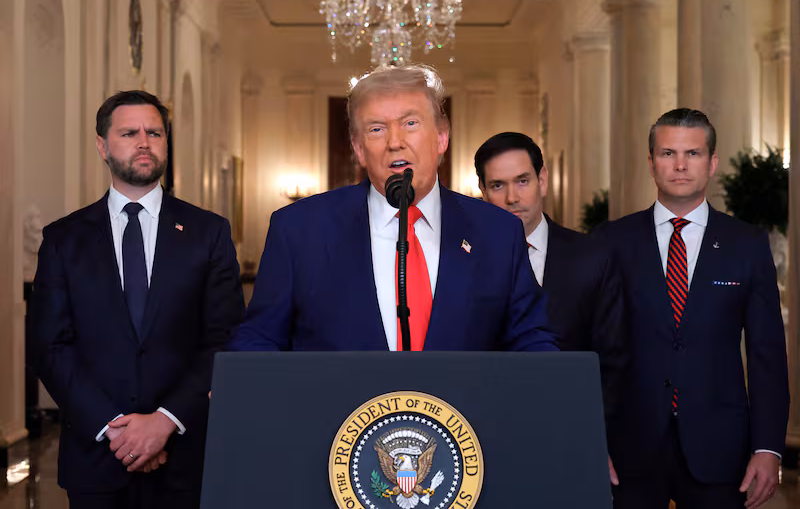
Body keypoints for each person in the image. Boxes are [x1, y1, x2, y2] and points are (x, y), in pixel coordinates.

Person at [230, 65, 556, 352]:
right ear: (359, 149)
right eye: (376, 129)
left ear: (441, 138)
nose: (395, 141)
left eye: (410, 123)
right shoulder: (298, 230)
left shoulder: (498, 232)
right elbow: (260, 338)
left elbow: (530, 339)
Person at [31, 90, 245, 508]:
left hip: (185, 458)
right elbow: (49, 347)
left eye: (155, 133)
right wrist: (115, 429)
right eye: (129, 133)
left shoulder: (209, 232)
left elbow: (225, 338)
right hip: (97, 457)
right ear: (102, 146)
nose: (144, 142)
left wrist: (163, 422)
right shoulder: (63, 239)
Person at [600, 109, 789, 508]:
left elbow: (767, 356)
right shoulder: (611, 242)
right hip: (628, 448)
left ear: (712, 163)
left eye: (693, 153)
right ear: (651, 163)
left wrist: (768, 447)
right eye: (668, 153)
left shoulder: (747, 245)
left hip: (721, 448)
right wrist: (591, 439)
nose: (680, 165)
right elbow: (591, 348)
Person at [474, 131, 627, 484]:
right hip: (482, 444)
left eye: (522, 181)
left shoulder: (592, 258)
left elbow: (614, 361)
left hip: (571, 437)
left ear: (542, 180)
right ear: (482, 191)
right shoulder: (462, 262)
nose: (512, 197)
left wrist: (592, 436)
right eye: (497, 185)